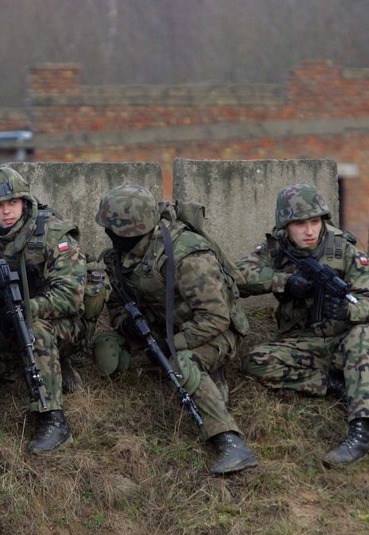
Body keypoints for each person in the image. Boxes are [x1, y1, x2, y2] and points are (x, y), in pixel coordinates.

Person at [92, 185, 258, 475]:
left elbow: (216, 317)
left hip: (213, 333)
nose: (108, 235)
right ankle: (194, 374)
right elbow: (118, 304)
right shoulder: (120, 257)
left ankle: (229, 441)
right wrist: (127, 324)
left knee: (181, 363)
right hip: (162, 329)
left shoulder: (187, 255)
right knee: (107, 352)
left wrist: (173, 344)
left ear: (130, 231)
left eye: (111, 229)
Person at [235, 184, 369, 465]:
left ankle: (360, 431)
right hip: (302, 341)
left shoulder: (345, 249)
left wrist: (347, 310)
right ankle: (333, 386)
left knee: (368, 335)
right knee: (255, 361)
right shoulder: (277, 247)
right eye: (300, 224)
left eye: (315, 222)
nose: (309, 231)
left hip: (344, 341)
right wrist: (284, 281)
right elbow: (237, 275)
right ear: (285, 226)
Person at [0, 166, 86, 455]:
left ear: (25, 202)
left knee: (34, 332)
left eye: (13, 203)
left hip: (61, 325)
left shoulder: (53, 233)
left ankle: (53, 419)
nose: (6, 211)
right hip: (5, 326)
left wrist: (26, 308)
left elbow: (71, 296)